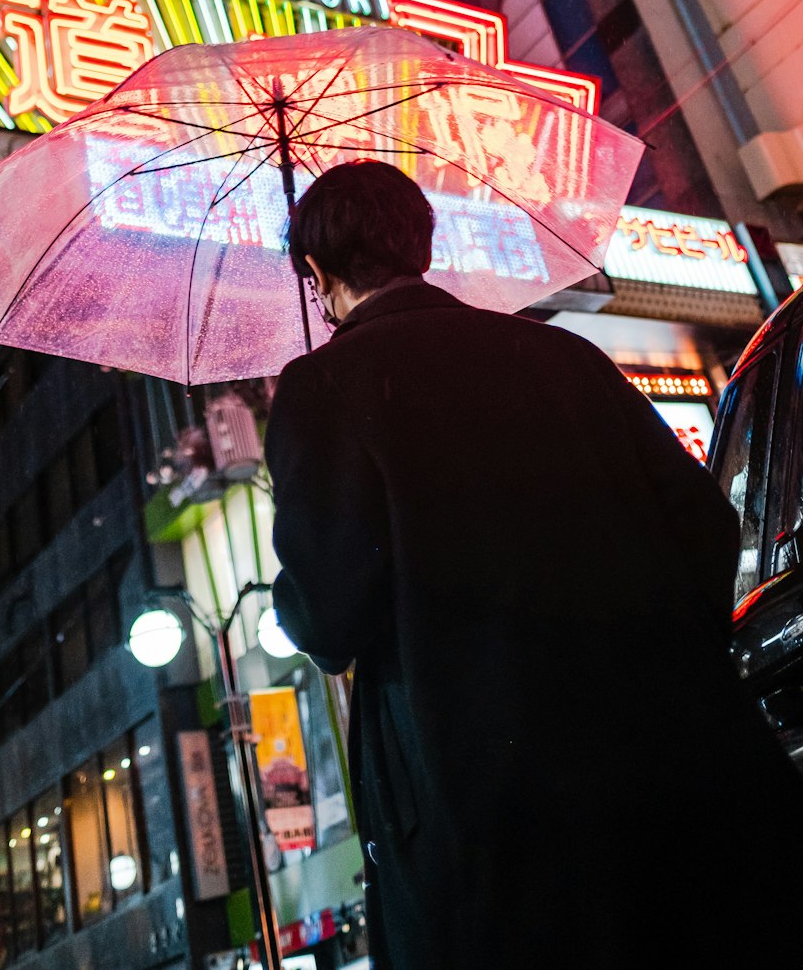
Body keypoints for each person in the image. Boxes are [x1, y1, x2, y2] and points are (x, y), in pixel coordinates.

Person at [264, 160, 803, 970]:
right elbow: (702, 522)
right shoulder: (561, 354)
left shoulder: (321, 388)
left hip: (483, 822)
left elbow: (331, 617)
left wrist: (293, 577)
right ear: (421, 242)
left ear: (318, 273)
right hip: (669, 774)